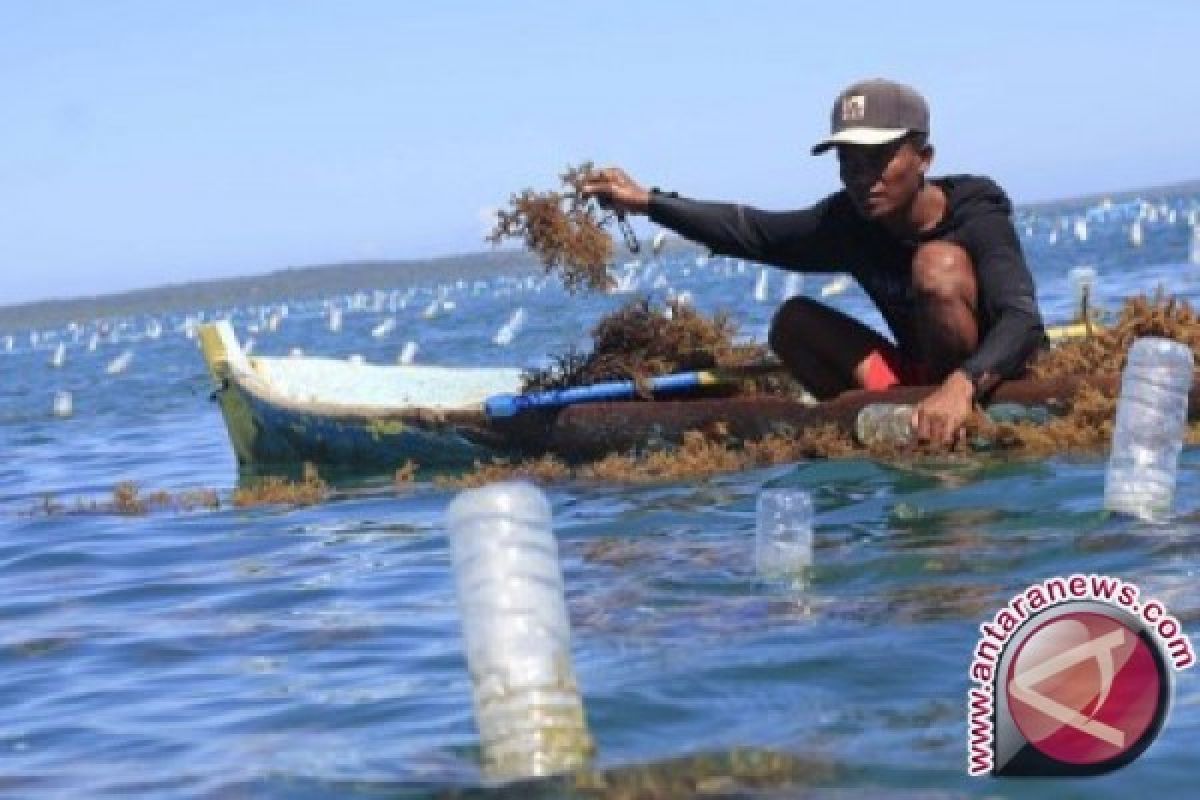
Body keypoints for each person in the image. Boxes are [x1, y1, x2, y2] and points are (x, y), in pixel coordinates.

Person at [583, 78, 1045, 447]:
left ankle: (952, 415)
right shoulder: (848, 220)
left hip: (990, 378)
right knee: (793, 321)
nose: (864, 178)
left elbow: (1022, 320)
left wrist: (961, 387)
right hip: (915, 380)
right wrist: (646, 202)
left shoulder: (976, 213)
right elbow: (753, 232)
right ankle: (879, 423)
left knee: (936, 266)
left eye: (879, 159)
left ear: (924, 158)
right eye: (850, 162)